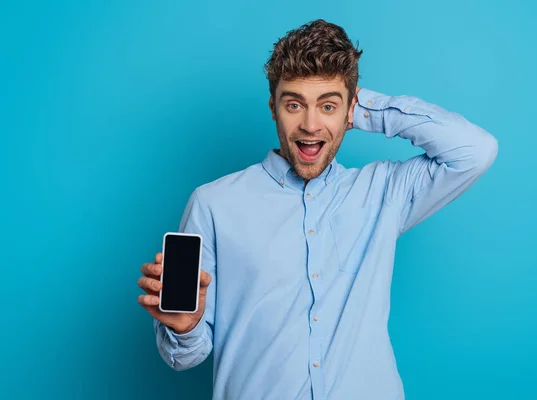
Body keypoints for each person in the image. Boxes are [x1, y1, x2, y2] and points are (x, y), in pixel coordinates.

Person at [137, 19, 498, 400]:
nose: (310, 125)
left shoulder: (383, 193)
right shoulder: (213, 204)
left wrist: (362, 110)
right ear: (273, 107)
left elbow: (475, 150)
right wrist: (184, 327)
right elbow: (184, 358)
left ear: (350, 109)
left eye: (327, 105)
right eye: (294, 104)